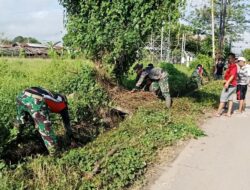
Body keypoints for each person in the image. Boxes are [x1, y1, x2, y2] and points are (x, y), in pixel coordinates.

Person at [15, 87, 74, 155]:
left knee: (20, 121)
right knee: (45, 129)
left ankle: (15, 139)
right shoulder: (63, 103)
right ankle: (55, 154)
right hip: (36, 100)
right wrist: (70, 135)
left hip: (21, 96)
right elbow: (66, 121)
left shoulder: (51, 93)